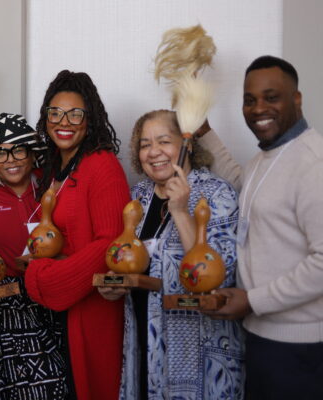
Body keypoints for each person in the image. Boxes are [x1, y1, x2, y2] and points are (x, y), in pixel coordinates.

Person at [199, 55, 323, 399]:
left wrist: (253, 300)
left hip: (300, 349)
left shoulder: (314, 164)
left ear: (296, 100)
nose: (258, 108)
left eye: (272, 97)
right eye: (249, 100)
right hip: (262, 339)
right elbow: (247, 188)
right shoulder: (266, 157)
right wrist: (204, 132)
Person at [99, 110, 245, 399]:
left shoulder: (217, 195)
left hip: (199, 354)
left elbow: (218, 278)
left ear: (187, 144)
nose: (153, 152)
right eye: (144, 144)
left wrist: (180, 210)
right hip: (146, 347)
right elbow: (129, 262)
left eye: (164, 141)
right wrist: (114, 287)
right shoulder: (137, 197)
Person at [24, 70, 130, 400]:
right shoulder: (57, 167)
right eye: (54, 113)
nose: (63, 121)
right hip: (60, 313)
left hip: (91, 307)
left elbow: (111, 242)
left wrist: (43, 278)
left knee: (92, 387)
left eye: (75, 113)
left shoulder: (102, 164)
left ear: (90, 118)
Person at [0, 113, 68, 399]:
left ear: (31, 153)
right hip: (6, 307)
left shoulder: (52, 188)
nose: (11, 160)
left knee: (59, 385)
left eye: (18, 150)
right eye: (1, 153)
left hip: (53, 299)